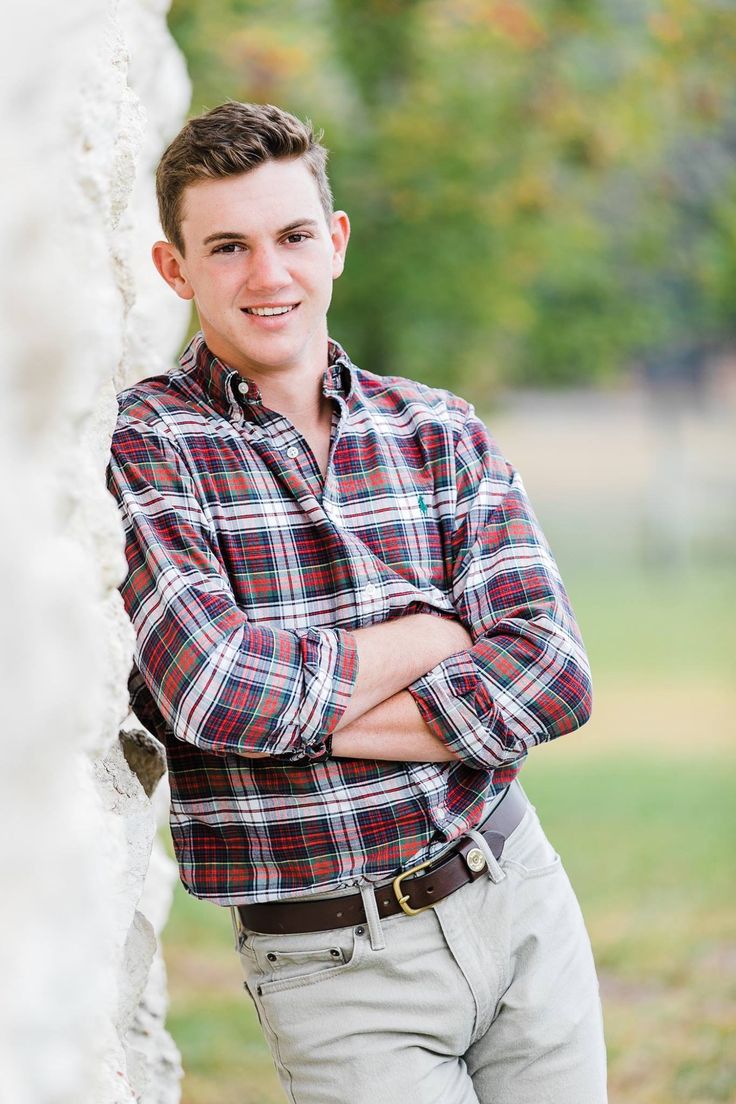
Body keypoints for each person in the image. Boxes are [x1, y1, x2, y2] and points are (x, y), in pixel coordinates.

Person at [108, 101, 607, 1104]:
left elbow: (553, 674)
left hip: (519, 900)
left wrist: (305, 718)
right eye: (229, 247)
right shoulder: (144, 446)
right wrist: (430, 636)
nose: (268, 275)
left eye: (292, 237)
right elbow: (214, 695)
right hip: (333, 965)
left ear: (333, 243)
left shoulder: (437, 430)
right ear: (176, 270)